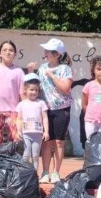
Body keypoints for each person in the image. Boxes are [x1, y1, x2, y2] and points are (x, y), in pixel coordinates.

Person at [37, 38, 73, 183]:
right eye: (45, 50)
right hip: (45, 110)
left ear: (57, 54)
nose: (45, 53)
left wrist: (52, 75)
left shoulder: (65, 69)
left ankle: (56, 172)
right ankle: (45, 172)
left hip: (61, 110)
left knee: (58, 142)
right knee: (46, 142)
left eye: (49, 51)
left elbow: (65, 89)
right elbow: (36, 88)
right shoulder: (41, 68)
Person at [0, 40, 24, 145]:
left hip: (14, 112)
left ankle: (13, 161)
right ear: (0, 53)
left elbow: (22, 94)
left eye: (11, 50)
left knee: (15, 140)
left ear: (15, 54)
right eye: (4, 50)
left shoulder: (19, 71)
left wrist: (22, 113)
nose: (8, 52)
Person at [16, 74, 49, 173]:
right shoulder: (21, 104)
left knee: (35, 155)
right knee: (26, 155)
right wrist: (18, 130)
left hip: (37, 134)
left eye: (36, 90)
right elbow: (19, 119)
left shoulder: (41, 103)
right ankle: (24, 174)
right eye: (31, 90)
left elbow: (45, 118)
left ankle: (34, 175)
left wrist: (46, 131)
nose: (34, 92)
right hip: (26, 133)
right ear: (25, 90)